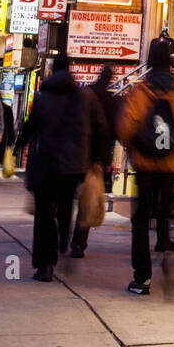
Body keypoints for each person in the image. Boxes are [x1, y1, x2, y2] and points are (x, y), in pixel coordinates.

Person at [116, 38, 174, 293]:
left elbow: (125, 127)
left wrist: (133, 145)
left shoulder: (142, 90)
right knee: (166, 212)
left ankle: (142, 277)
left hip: (145, 167)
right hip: (170, 165)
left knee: (141, 220)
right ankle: (167, 256)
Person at [21, 54, 87, 281]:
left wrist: (17, 145)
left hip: (46, 163)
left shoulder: (42, 96)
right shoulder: (80, 98)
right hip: (71, 166)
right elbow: (89, 130)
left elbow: (31, 127)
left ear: (51, 71)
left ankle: (45, 265)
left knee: (44, 215)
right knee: (66, 208)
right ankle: (62, 241)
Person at [70, 65, 116, 258]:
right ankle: (79, 243)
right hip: (96, 158)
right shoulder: (110, 100)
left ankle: (63, 235)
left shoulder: (85, 94)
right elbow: (111, 131)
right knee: (87, 201)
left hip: (78, 153)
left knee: (68, 198)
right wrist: (104, 160)